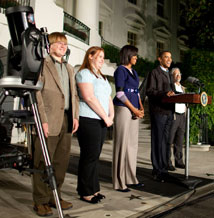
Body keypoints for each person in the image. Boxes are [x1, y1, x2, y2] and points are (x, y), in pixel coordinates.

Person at [32, 32, 79, 216]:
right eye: (58, 42)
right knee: (43, 161)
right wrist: (42, 120)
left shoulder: (69, 68)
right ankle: (40, 201)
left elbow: (74, 94)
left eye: (65, 43)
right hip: (48, 120)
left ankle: (54, 196)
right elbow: (37, 94)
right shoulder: (42, 65)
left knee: (61, 162)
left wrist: (75, 116)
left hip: (66, 120)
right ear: (49, 46)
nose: (62, 46)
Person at [75, 46, 114, 203]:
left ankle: (94, 189)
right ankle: (85, 191)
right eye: (99, 56)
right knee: (88, 156)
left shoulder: (102, 77)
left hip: (101, 120)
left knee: (95, 156)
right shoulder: (84, 74)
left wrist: (111, 115)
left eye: (103, 57)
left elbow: (108, 98)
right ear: (90, 56)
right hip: (88, 119)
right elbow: (89, 97)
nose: (102, 60)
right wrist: (105, 116)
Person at [112, 45, 144, 192]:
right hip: (123, 109)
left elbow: (136, 93)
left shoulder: (134, 72)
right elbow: (119, 93)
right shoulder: (120, 70)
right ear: (128, 55)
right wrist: (134, 109)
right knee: (121, 145)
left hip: (134, 109)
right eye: (134, 55)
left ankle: (131, 178)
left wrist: (141, 108)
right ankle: (119, 182)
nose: (136, 57)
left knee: (132, 145)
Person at [146, 51, 175, 183]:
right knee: (158, 141)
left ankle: (164, 168)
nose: (169, 59)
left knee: (165, 141)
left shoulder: (170, 74)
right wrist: (165, 93)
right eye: (166, 57)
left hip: (169, 112)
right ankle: (157, 170)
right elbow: (150, 91)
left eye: (170, 57)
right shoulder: (154, 73)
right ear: (159, 59)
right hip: (158, 111)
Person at [167, 68, 186, 170]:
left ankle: (179, 161)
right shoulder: (170, 87)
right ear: (172, 76)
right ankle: (168, 162)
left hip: (182, 116)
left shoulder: (183, 88)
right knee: (169, 140)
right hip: (173, 115)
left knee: (179, 141)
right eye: (176, 74)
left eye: (180, 74)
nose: (178, 76)